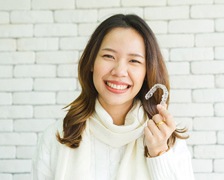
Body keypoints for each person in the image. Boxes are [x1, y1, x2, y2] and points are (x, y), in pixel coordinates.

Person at [32, 14, 194, 180]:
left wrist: (159, 154)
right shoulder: (56, 137)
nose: (119, 71)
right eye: (109, 56)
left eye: (134, 61)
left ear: (147, 72)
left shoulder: (168, 141)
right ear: (91, 63)